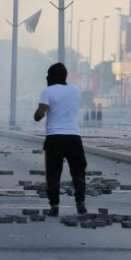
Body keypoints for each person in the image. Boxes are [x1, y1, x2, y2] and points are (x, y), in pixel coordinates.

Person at [33, 62, 87, 217]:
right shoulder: (76, 90)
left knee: (53, 172)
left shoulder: (48, 91)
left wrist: (41, 112)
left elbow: (39, 115)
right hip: (73, 137)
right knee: (78, 170)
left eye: (48, 75)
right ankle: (80, 202)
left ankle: (54, 206)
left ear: (52, 76)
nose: (46, 77)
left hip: (54, 137)